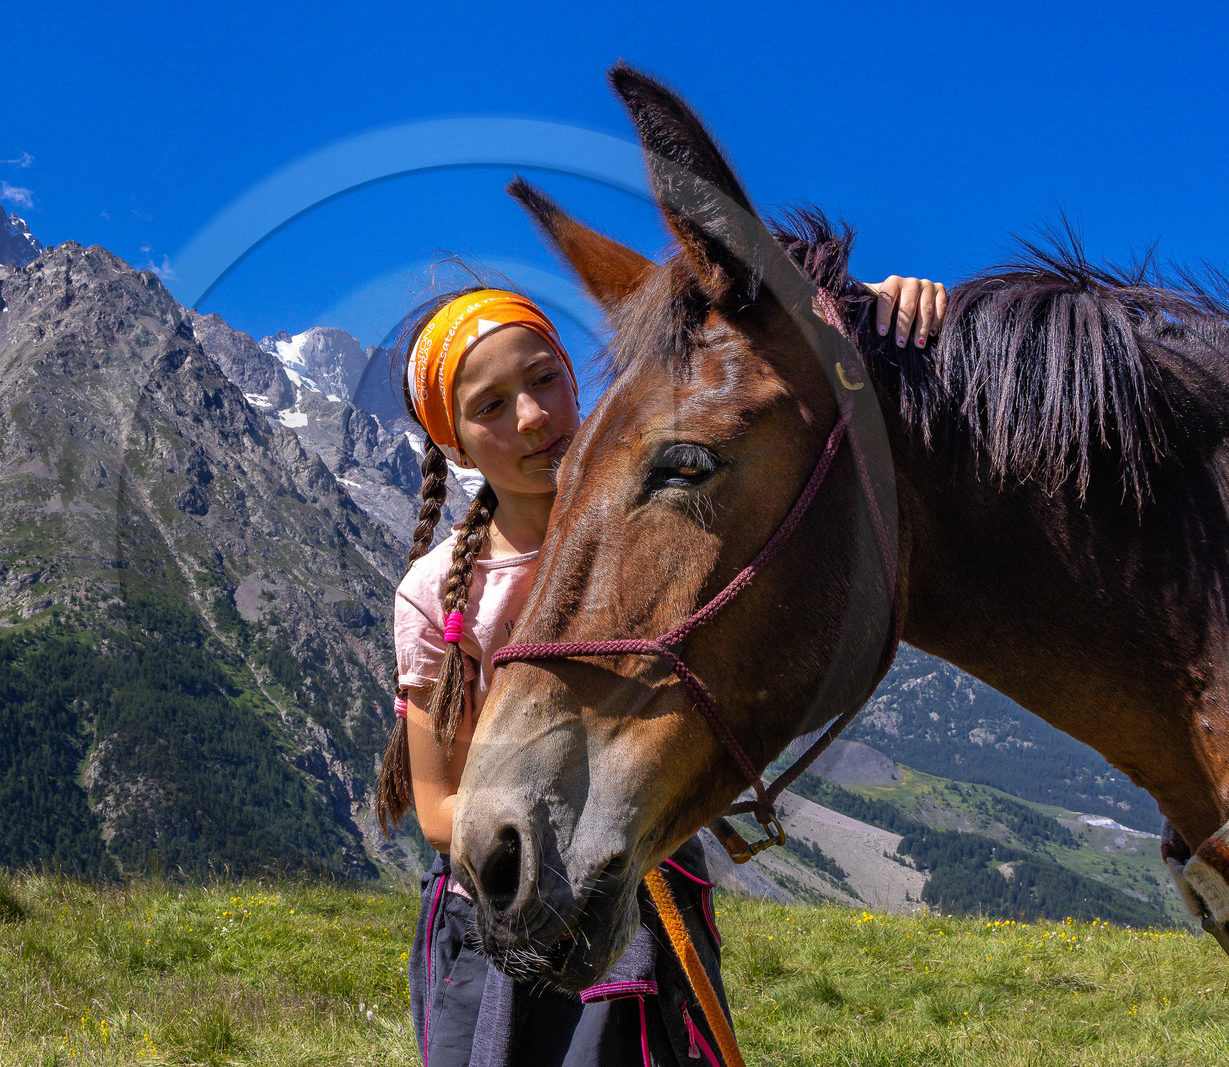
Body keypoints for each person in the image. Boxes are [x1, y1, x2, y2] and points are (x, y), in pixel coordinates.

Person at [376, 277, 946, 1067]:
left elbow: (734, 352)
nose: (534, 416)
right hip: (508, 903)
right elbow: (437, 805)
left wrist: (856, 305)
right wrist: (562, 823)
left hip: (649, 886)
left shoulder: (654, 517)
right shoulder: (438, 594)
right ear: (454, 443)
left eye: (544, 377)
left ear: (577, 377)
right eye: (491, 406)